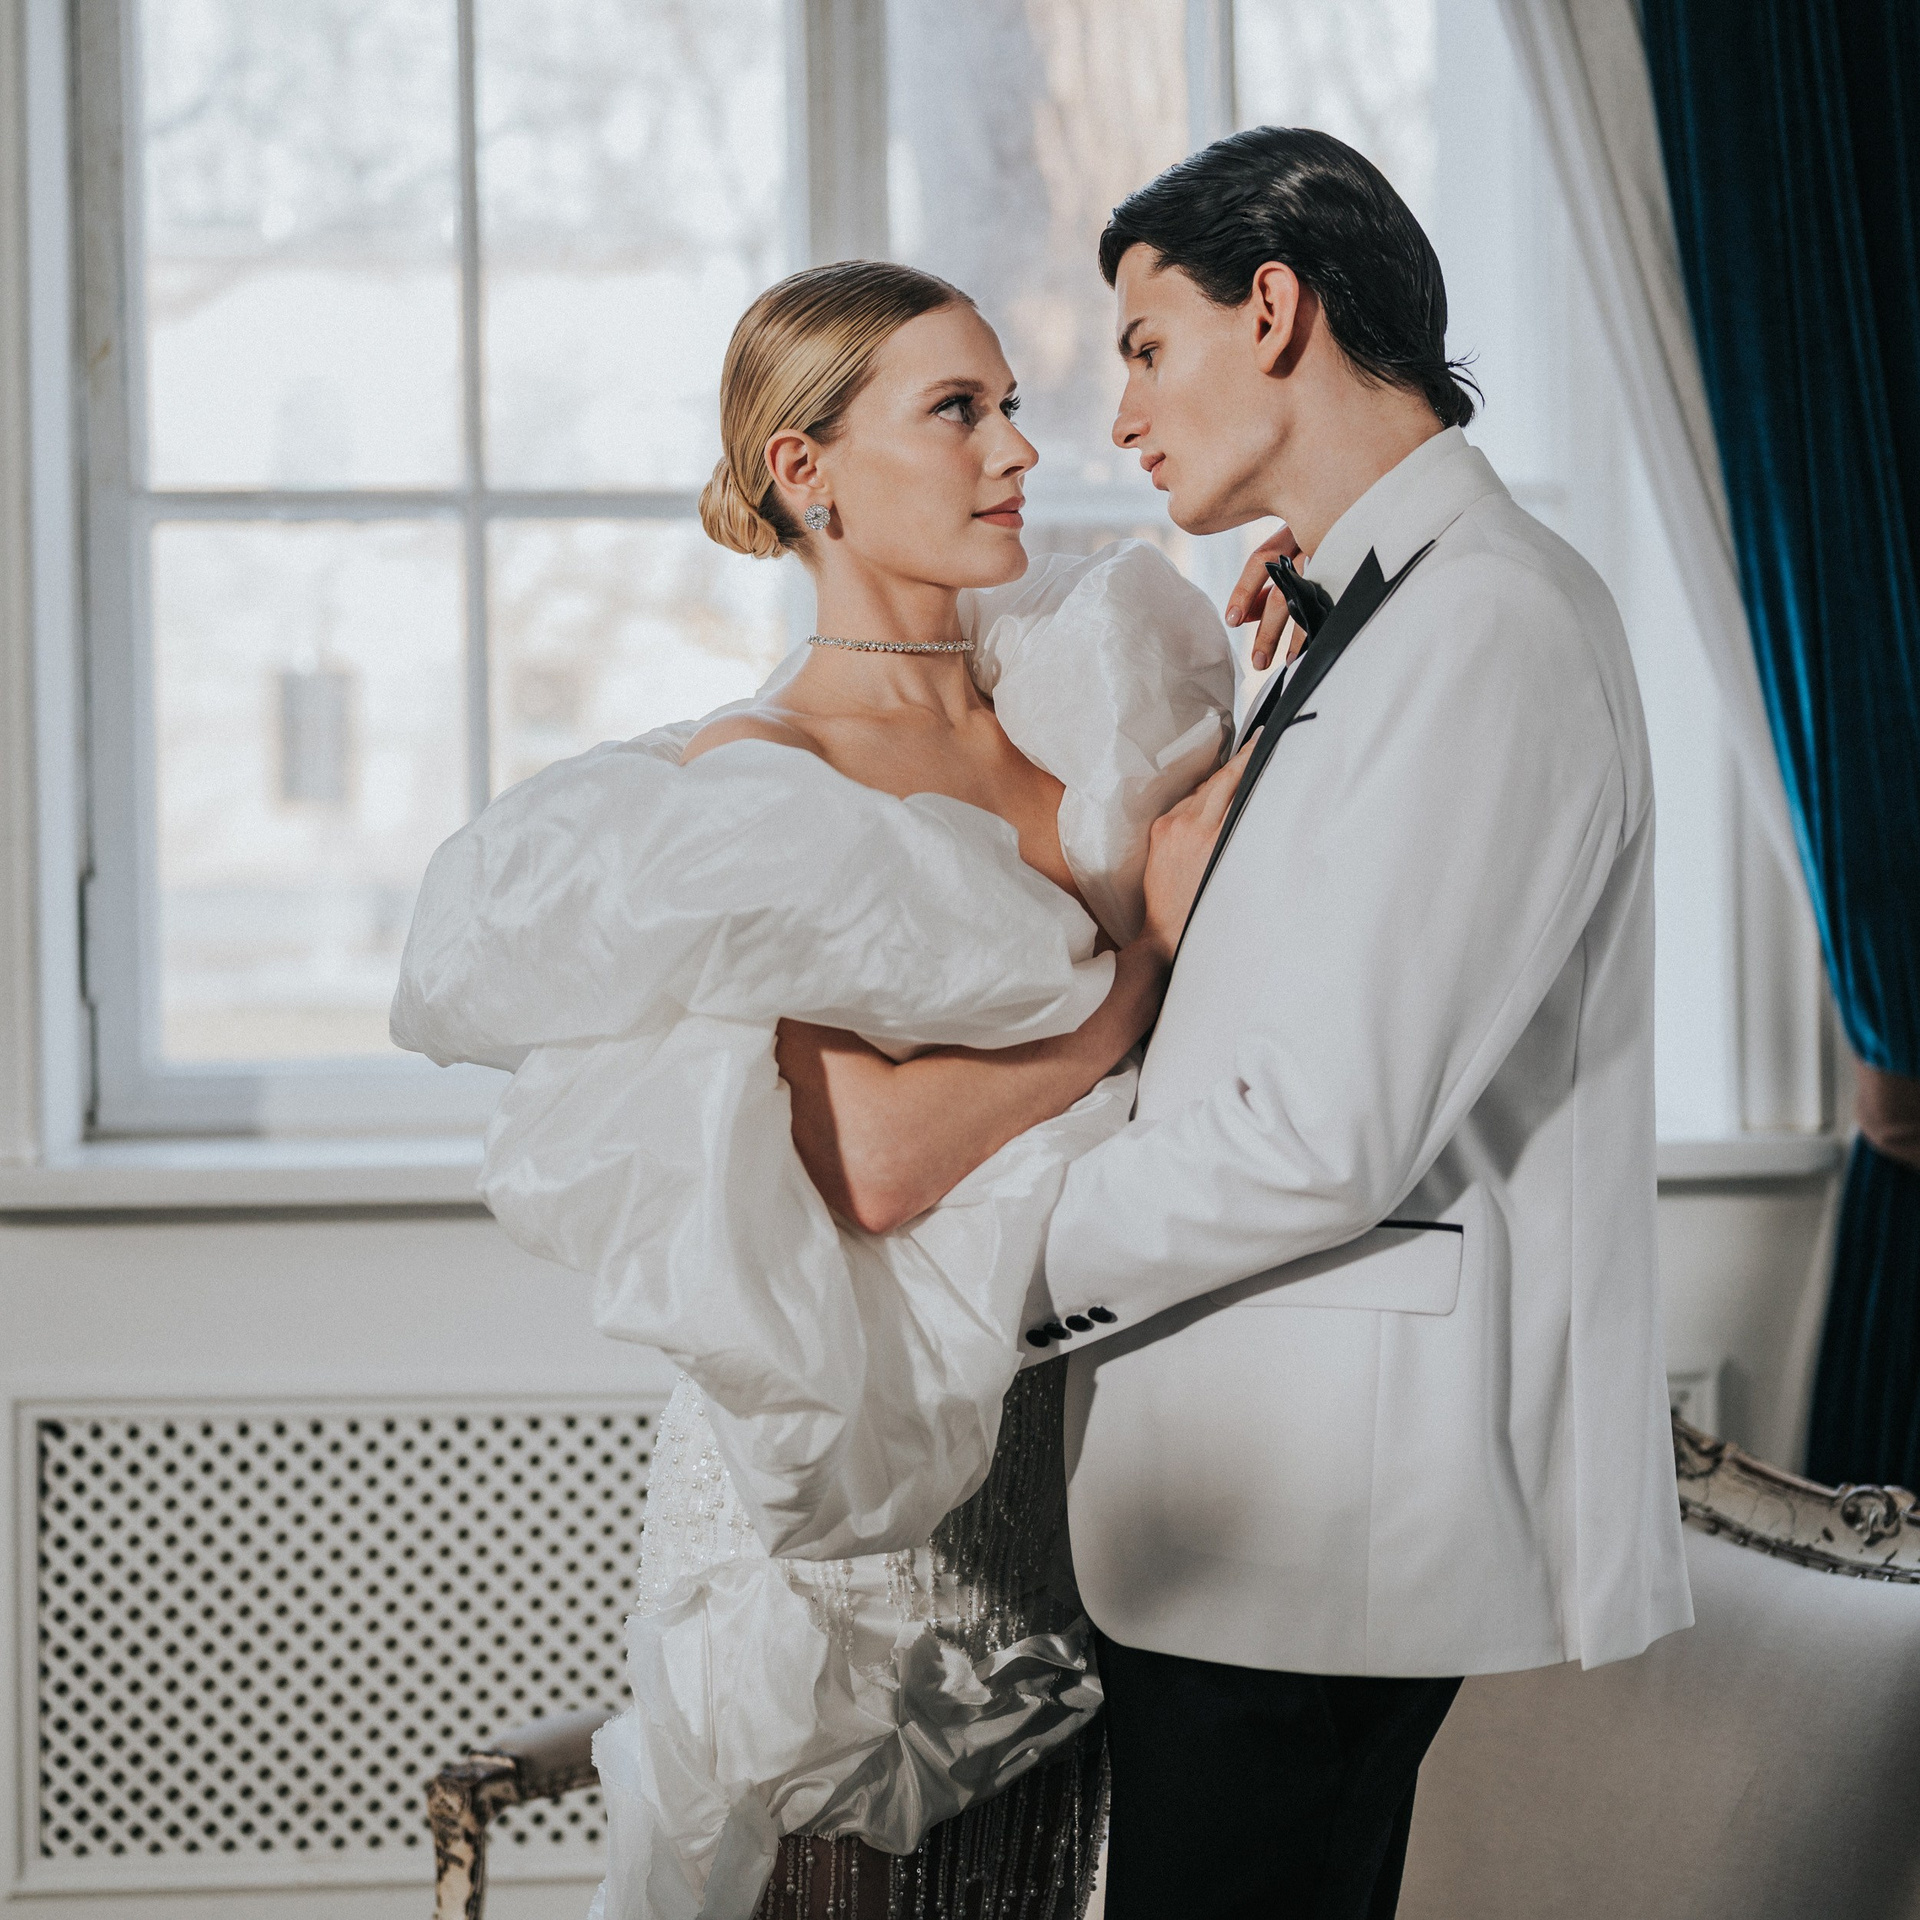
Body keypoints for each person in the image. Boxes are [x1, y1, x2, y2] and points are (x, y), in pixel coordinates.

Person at [389, 259, 1243, 1918]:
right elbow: (872, 1161)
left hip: (1081, 1481)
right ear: (808, 469)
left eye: (1010, 406)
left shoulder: (1079, 723)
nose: (1017, 451)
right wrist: (1135, 965)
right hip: (855, 1542)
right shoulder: (763, 781)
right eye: (957, 411)